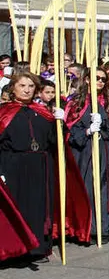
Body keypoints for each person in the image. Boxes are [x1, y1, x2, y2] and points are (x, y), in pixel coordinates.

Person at [0, 72, 91, 259]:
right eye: (22, 86)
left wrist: (59, 123)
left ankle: (38, 247)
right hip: (14, 165)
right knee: (18, 206)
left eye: (31, 86)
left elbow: (56, 141)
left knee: (40, 206)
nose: (26, 90)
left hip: (42, 165)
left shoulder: (43, 112)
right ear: (13, 88)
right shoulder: (3, 112)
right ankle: (18, 249)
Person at [65, 65, 109, 238]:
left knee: (108, 187)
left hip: (106, 151)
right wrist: (87, 131)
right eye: (96, 78)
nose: (100, 82)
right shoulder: (76, 102)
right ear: (87, 79)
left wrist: (103, 124)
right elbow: (70, 130)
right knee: (90, 187)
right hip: (86, 153)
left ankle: (108, 226)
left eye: (103, 79)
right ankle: (90, 227)